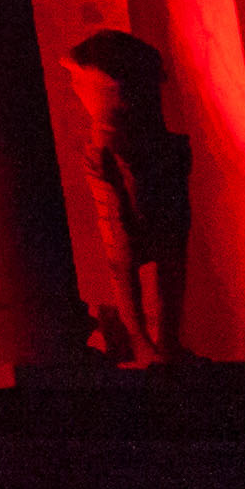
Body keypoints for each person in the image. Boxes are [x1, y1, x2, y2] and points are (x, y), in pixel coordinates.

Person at [70, 30, 195, 368]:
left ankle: (167, 339)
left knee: (170, 251)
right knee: (124, 251)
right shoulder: (93, 67)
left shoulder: (136, 68)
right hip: (121, 152)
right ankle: (141, 340)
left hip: (151, 149)